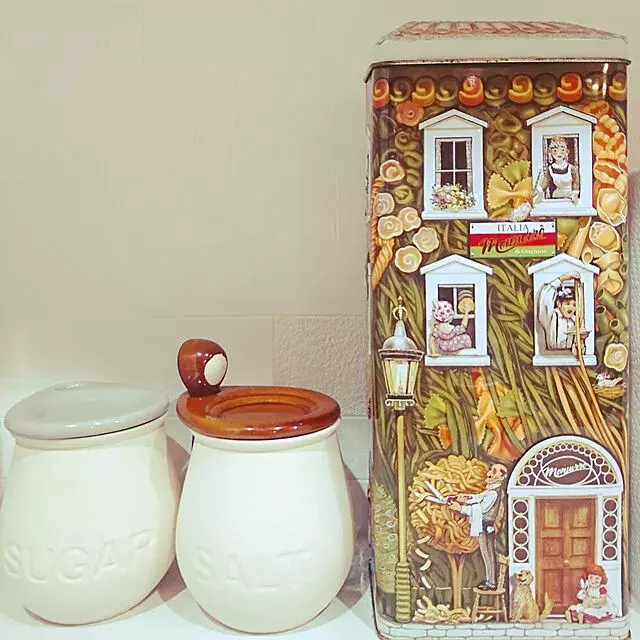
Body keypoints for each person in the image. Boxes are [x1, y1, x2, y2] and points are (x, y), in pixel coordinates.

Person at [448, 463, 508, 590]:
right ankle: (490, 581)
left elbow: (481, 508)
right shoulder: (491, 491)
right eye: (491, 469)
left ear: (501, 477)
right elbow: (479, 497)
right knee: (486, 553)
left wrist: (461, 508)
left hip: (486, 526)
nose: (489, 473)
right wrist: (464, 498)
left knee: (488, 554)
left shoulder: (494, 493)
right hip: (484, 526)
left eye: (494, 471)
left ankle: (491, 583)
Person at [536, 271, 583, 353]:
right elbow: (545, 300)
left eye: (574, 305)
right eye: (567, 304)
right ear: (559, 304)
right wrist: (562, 278)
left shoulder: (576, 320)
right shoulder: (551, 317)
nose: (571, 308)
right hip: (553, 356)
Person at [535, 135, 580, 204]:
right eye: (555, 151)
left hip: (570, 196)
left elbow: (576, 182)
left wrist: (575, 194)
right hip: (556, 196)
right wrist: (538, 191)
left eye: (562, 150)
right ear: (550, 153)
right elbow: (546, 182)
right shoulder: (550, 169)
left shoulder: (571, 168)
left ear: (566, 153)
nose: (559, 154)